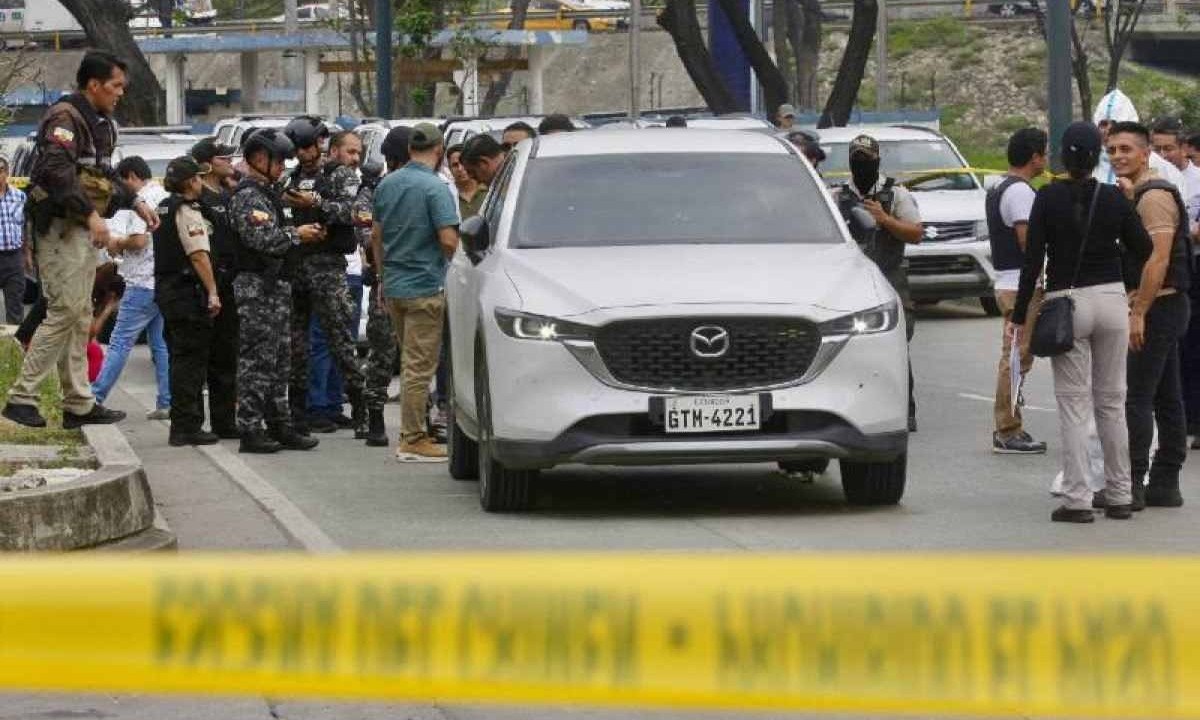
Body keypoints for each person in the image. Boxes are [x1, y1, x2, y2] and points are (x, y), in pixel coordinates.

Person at [3, 51, 160, 429]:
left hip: (82, 231)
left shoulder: (100, 123)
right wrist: (91, 216)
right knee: (66, 311)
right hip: (61, 228)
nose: (120, 93)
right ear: (93, 84)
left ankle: (79, 403)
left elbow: (102, 172)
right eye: (115, 85)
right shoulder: (64, 118)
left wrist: (134, 200)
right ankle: (21, 398)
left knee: (80, 315)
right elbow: (56, 172)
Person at [1012, 122, 1153, 523]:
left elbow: (1032, 262)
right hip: (1111, 301)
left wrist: (1021, 315)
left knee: (1074, 405)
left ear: (1063, 157)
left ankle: (1077, 499)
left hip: (1066, 303)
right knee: (1112, 402)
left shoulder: (1046, 198)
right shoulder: (1113, 197)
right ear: (1097, 158)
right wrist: (1119, 274)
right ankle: (1121, 494)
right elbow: (1143, 247)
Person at [1106, 121, 1192, 509]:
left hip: (1159, 306)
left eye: (1126, 149)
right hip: (1166, 306)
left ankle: (1132, 485)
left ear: (1145, 154)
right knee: (1167, 397)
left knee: (1137, 398)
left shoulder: (1154, 196)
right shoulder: (1141, 192)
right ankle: (1165, 482)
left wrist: (1139, 311)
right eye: (1112, 150)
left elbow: (1158, 257)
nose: (1117, 156)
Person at [229, 128, 323, 454]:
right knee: (257, 360)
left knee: (280, 361)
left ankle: (279, 423)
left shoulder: (270, 194)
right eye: (278, 160)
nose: (282, 167)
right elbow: (262, 239)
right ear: (258, 159)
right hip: (257, 288)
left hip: (277, 286)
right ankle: (251, 427)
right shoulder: (248, 196)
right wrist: (297, 235)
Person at [371, 123, 459, 462]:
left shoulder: (387, 185)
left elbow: (375, 237)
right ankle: (413, 438)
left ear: (410, 150)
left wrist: (382, 277)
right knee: (418, 368)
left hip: (394, 286)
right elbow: (449, 240)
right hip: (425, 286)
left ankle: (414, 432)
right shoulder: (435, 188)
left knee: (410, 362)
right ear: (438, 151)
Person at [280, 119, 366, 436]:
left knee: (341, 342)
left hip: (328, 267)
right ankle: (300, 413)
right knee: (297, 346)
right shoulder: (291, 177)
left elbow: (355, 212)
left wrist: (315, 203)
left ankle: (362, 410)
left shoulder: (337, 174)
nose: (302, 154)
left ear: (319, 144)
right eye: (297, 148)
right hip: (297, 268)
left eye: (306, 147)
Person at [834, 134, 924, 432]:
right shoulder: (837, 196)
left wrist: (884, 219)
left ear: (877, 160)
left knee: (897, 341)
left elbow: (915, 233)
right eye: (856, 157)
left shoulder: (896, 193)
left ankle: (905, 408)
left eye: (867, 158)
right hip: (849, 283)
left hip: (889, 277)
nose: (861, 163)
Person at [151, 156, 226, 446]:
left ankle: (185, 423)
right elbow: (198, 254)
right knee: (191, 362)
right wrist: (213, 291)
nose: (201, 183)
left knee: (179, 358)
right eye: (197, 178)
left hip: (169, 292)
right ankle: (186, 425)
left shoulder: (164, 207)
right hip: (186, 294)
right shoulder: (187, 211)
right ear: (190, 182)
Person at [91, 155, 171, 419]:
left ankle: (95, 397)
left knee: (119, 343)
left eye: (124, 185)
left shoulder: (145, 200)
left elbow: (138, 241)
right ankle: (166, 401)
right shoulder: (164, 193)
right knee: (159, 344)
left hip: (141, 282)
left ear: (132, 177)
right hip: (161, 280)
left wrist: (116, 242)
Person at [987, 128, 1049, 455]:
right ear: (1035, 157)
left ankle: (1010, 425)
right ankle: (1008, 430)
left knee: (1016, 356)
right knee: (1015, 358)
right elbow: (1029, 242)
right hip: (1020, 286)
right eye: (1044, 153)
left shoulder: (999, 186)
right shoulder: (1021, 193)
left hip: (1009, 283)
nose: (1047, 159)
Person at [305, 130, 366, 429]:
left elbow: (355, 216)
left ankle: (332, 402)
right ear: (333, 152)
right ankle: (317, 405)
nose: (356, 158)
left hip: (347, 269)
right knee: (321, 339)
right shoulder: (322, 178)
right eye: (350, 151)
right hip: (321, 269)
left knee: (342, 341)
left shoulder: (352, 180)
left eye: (359, 152)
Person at [355, 127, 408, 447]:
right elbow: (364, 232)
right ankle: (374, 417)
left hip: (414, 280)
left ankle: (420, 421)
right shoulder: (374, 190)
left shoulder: (424, 187)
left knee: (418, 358)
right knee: (381, 354)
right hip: (385, 283)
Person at [1092, 89, 1186, 191]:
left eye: (1115, 123)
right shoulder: (1091, 160)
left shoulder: (1158, 165)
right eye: (1103, 124)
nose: (1108, 129)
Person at [0, 156, 27, 325]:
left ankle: (14, 348)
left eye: (0, 170)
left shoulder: (20, 197)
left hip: (14, 259)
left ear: (7, 172)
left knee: (15, 308)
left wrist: (28, 255)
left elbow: (25, 227)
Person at [446, 143, 486, 219]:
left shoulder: (490, 190)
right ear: (450, 169)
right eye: (455, 165)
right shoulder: (447, 195)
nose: (460, 168)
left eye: (462, 162)